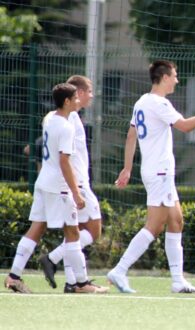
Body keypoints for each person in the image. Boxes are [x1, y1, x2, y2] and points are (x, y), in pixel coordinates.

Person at [109, 60, 195, 293]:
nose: (177, 80)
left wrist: (127, 168)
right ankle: (119, 270)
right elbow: (184, 126)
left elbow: (131, 135)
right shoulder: (159, 103)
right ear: (164, 77)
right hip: (160, 171)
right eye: (174, 75)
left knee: (176, 220)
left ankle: (177, 280)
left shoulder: (141, 102)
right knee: (154, 226)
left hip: (155, 170)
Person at [4, 83, 105, 294]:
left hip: (43, 182)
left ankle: (13, 277)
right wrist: (76, 193)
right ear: (67, 102)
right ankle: (80, 283)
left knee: (36, 228)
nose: (79, 101)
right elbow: (64, 162)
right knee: (73, 232)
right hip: (58, 187)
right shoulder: (67, 126)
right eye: (76, 98)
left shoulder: (51, 120)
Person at [38, 75, 105, 293]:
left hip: (71, 182)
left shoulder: (59, 116)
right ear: (77, 94)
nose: (90, 96)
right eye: (86, 92)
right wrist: (77, 189)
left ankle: (72, 282)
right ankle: (55, 259)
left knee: (72, 231)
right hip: (76, 183)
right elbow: (64, 158)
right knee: (93, 229)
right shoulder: (69, 119)